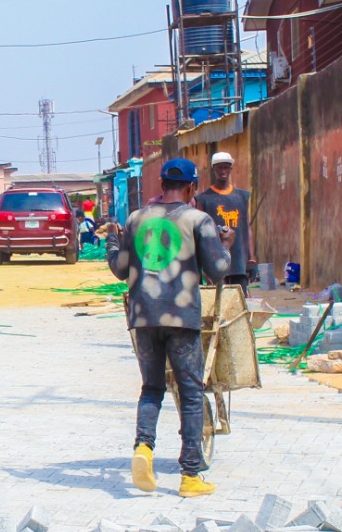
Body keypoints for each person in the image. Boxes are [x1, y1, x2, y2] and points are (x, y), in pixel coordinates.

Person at [103, 158, 234, 498]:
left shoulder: (135, 219)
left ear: (161, 185)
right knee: (190, 394)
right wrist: (227, 245)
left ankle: (143, 449)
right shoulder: (198, 219)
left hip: (143, 317)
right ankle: (190, 476)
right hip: (181, 318)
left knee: (152, 388)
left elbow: (120, 269)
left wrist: (112, 241)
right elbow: (218, 270)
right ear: (191, 188)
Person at [194, 151, 252, 286]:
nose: (223, 171)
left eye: (226, 167)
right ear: (214, 169)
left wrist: (251, 259)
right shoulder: (203, 199)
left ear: (231, 168)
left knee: (238, 304)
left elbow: (247, 227)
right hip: (215, 263)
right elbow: (199, 233)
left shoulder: (242, 196)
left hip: (239, 263)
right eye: (219, 167)